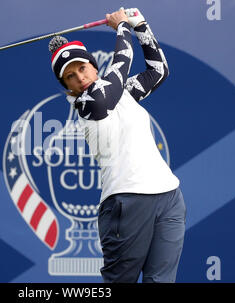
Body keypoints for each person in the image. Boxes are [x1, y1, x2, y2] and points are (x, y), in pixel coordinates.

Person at [48, 8, 186, 283]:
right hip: (125, 203)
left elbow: (158, 71)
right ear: (68, 87)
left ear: (93, 66)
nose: (80, 78)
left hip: (169, 196)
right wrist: (123, 27)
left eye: (82, 68)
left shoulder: (123, 93)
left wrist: (141, 26)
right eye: (70, 77)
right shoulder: (88, 105)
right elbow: (119, 69)